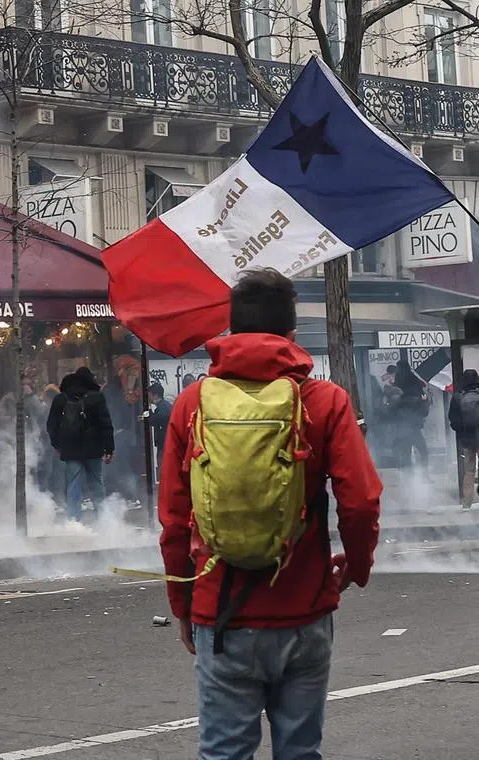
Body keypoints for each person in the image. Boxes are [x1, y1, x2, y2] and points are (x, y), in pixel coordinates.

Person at [158, 268, 381, 760]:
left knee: (224, 753)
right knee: (300, 752)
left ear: (230, 332)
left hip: (221, 615)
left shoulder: (192, 405)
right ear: (291, 337)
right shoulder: (324, 401)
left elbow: (174, 522)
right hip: (303, 610)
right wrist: (356, 568)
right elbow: (360, 502)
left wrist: (183, 605)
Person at [46, 367, 115, 522]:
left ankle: (73, 522)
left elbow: (51, 425)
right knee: (96, 483)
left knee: (73, 484)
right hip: (94, 449)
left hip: (70, 449)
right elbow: (106, 424)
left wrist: (57, 445)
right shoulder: (97, 397)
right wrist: (109, 448)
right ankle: (103, 520)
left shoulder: (61, 399)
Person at [449, 368, 479, 510]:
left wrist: (462, 431)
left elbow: (453, 420)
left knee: (469, 470)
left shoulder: (457, 397)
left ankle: (467, 503)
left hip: (467, 439)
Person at [147, 382, 171, 472]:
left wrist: (149, 411)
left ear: (155, 395)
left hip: (164, 445)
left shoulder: (163, 409)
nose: (148, 398)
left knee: (164, 470)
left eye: (149, 395)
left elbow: (156, 420)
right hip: (165, 444)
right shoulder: (164, 407)